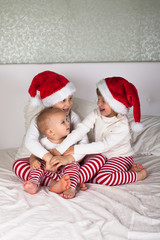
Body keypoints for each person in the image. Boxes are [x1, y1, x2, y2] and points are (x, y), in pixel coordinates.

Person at [13, 71, 105, 198]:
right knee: (18, 165)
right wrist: (48, 159)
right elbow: (30, 142)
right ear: (51, 102)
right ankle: (55, 183)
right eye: (63, 100)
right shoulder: (40, 119)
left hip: (71, 162)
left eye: (70, 99)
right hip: (48, 164)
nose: (68, 104)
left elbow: (84, 143)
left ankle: (71, 183)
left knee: (99, 158)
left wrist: (66, 159)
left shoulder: (73, 117)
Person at [52, 77, 147, 186]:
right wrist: (61, 148)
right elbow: (81, 129)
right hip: (101, 155)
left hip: (120, 157)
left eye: (103, 101)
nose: (98, 104)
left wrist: (75, 148)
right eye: (98, 99)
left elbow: (104, 145)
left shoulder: (122, 125)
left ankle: (136, 175)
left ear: (116, 104)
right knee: (80, 167)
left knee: (103, 178)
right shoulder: (96, 113)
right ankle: (73, 181)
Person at [22, 107, 88, 197]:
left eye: (66, 120)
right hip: (49, 170)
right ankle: (34, 183)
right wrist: (33, 161)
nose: (68, 123)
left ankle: (70, 188)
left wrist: (67, 159)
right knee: (37, 167)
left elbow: (78, 156)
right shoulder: (43, 142)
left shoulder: (70, 140)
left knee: (73, 166)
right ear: (50, 132)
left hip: (65, 169)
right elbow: (34, 155)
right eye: (63, 122)